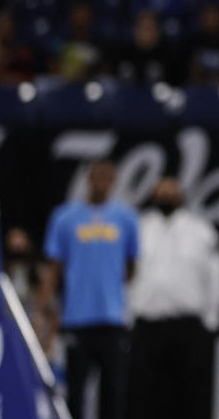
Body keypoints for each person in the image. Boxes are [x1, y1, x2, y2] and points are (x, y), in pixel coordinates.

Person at [41, 158, 139, 419]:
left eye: (107, 176)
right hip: (77, 318)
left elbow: (131, 267)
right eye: (96, 175)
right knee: (76, 393)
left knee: (114, 393)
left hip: (112, 319)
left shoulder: (126, 219)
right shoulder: (64, 217)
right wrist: (43, 307)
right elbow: (54, 268)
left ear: (114, 180)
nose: (101, 181)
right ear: (88, 178)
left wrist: (109, 288)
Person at [128, 177, 219, 419]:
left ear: (181, 196)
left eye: (171, 192)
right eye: (161, 193)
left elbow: (217, 274)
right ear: (153, 196)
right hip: (146, 326)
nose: (166, 197)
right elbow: (125, 272)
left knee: (192, 399)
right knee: (145, 399)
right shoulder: (139, 228)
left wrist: (211, 320)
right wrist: (128, 316)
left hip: (189, 327)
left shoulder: (200, 230)